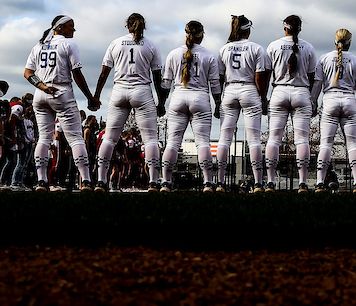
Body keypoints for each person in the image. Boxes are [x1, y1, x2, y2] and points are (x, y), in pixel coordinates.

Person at [22, 15, 100, 192]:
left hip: (40, 93)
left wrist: (42, 86)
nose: (73, 29)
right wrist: (90, 97)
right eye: (71, 26)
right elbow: (77, 73)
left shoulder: (38, 46)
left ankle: (42, 182)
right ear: (59, 27)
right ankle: (86, 180)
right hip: (62, 91)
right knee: (75, 139)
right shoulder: (69, 44)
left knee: (44, 138)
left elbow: (27, 73)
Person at [94, 13, 166, 193]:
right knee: (150, 140)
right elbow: (158, 79)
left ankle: (101, 181)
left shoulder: (116, 43)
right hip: (142, 90)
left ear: (127, 26)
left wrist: (95, 96)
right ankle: (154, 182)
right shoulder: (151, 45)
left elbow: (104, 73)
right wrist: (161, 102)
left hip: (119, 90)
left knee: (109, 138)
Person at [161, 21, 222, 192]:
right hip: (200, 98)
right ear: (201, 34)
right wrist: (218, 104)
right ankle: (208, 183)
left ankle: (165, 182)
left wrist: (161, 103)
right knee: (203, 143)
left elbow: (165, 84)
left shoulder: (173, 54)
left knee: (172, 142)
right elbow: (215, 85)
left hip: (178, 96)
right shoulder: (209, 56)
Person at [265, 15, 320, 194]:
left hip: (279, 91)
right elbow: (312, 76)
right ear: (300, 28)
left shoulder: (273, 45)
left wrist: (264, 97)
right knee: (302, 140)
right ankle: (303, 183)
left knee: (274, 139)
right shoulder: (309, 47)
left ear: (285, 27)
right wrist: (312, 99)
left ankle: (270, 182)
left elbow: (266, 74)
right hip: (301, 92)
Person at [217, 15, 270, 193]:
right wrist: (263, 98)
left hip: (230, 90)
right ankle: (257, 183)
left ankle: (219, 182)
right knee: (254, 140)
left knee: (224, 139)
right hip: (249, 89)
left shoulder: (224, 48)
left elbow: (219, 76)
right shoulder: (257, 48)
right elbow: (259, 77)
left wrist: (218, 100)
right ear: (248, 30)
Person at [315, 29, 356, 193]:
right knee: (352, 144)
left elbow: (317, 84)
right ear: (350, 43)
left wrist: (312, 103)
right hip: (349, 101)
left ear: (334, 41)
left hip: (330, 99)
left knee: (326, 144)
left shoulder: (324, 58)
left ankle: (319, 182)